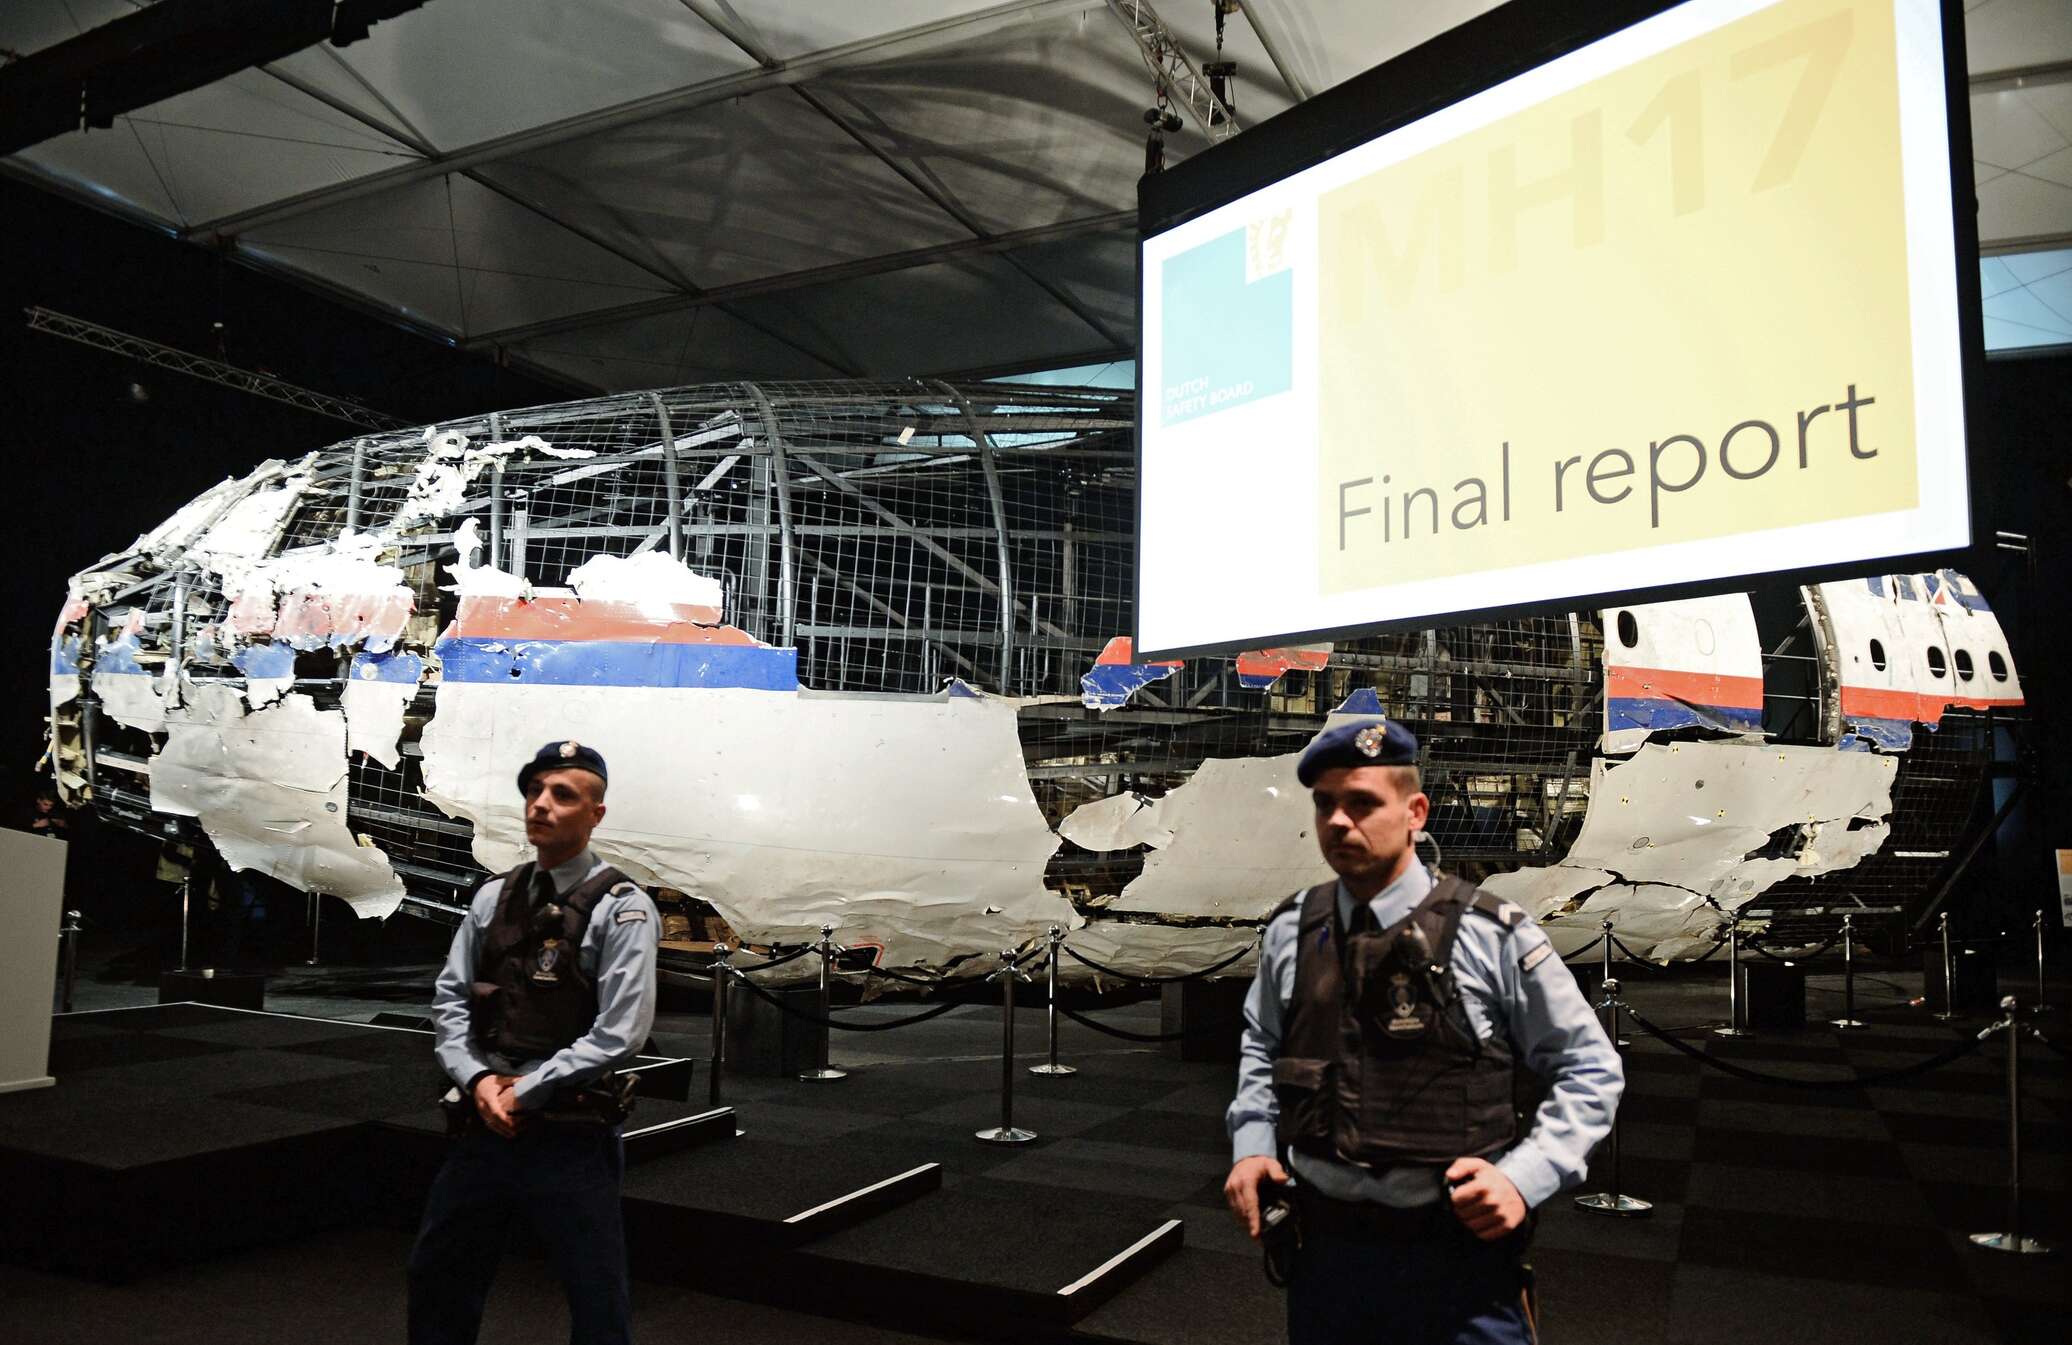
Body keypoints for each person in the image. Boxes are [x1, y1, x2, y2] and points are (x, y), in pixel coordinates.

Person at [1223, 718, 1623, 1345]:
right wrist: (1252, 1144)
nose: (1337, 821)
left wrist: (1524, 1177)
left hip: (1457, 1265)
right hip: (1324, 1258)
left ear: (1415, 813)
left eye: (1362, 803)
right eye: (1325, 804)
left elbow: (1589, 1067)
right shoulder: (1292, 931)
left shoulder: (1492, 933)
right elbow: (1262, 1045)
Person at [408, 740, 659, 1345]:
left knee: (595, 1297)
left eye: (562, 795)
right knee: (439, 1277)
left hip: (569, 1132)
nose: (540, 804)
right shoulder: (493, 898)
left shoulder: (622, 909)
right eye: (534, 790)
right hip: (482, 1122)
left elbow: (621, 1032)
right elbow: (450, 999)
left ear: (596, 814)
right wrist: (478, 1080)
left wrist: (524, 1091)